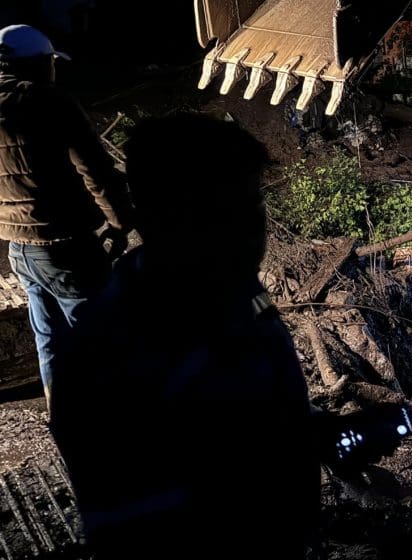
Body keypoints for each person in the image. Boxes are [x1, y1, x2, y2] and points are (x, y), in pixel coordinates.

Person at [48, 114, 315, 558]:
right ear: (165, 216)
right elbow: (131, 518)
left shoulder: (237, 290)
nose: (253, 233)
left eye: (254, 207)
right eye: (223, 214)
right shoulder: (103, 360)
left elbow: (254, 403)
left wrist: (311, 435)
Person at [0, 24, 135, 403]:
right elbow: (97, 171)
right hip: (66, 247)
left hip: (18, 248)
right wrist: (120, 223)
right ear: (39, 64)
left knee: (51, 343)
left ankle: (65, 421)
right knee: (103, 338)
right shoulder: (49, 103)